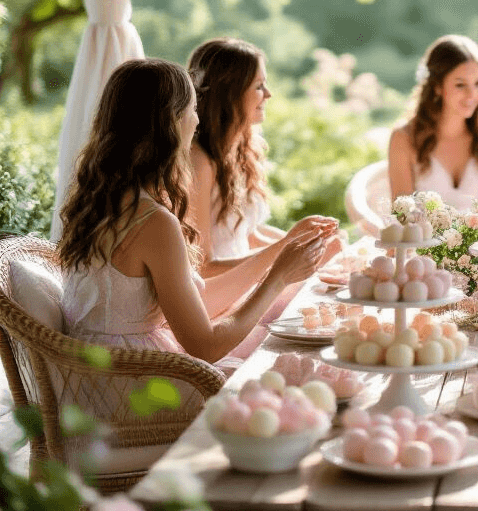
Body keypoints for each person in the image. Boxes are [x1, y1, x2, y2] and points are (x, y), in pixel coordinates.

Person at [58, 59, 333, 366]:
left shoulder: (103, 198)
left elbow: (196, 305)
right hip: (124, 380)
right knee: (279, 368)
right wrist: (279, 279)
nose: (197, 121)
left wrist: (282, 251)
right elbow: (205, 346)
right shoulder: (152, 221)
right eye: (192, 109)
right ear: (170, 122)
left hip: (95, 370)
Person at [186, 38, 341, 317]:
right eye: (258, 86)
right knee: (326, 309)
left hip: (248, 282)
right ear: (229, 94)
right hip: (219, 299)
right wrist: (287, 252)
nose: (268, 94)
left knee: (336, 275)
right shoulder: (199, 162)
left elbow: (251, 234)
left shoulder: (240, 149)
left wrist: (311, 244)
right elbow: (202, 268)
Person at [388, 35, 478, 212]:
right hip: (420, 239)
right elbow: (402, 214)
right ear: (437, 86)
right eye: (460, 85)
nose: (472, 95)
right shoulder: (404, 139)